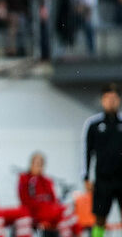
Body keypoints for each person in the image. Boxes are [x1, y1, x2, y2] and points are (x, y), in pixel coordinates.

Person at [82, 83, 122, 237]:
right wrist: (85, 177)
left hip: (121, 178)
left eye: (114, 98)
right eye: (107, 98)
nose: (111, 101)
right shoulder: (93, 124)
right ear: (102, 100)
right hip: (103, 180)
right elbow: (86, 151)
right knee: (100, 218)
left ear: (118, 100)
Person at [18, 152, 81, 237]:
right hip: (35, 212)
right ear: (31, 164)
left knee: (64, 220)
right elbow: (25, 200)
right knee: (65, 211)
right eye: (37, 164)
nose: (39, 167)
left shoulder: (47, 181)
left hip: (50, 212)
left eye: (41, 164)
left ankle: (77, 234)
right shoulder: (25, 179)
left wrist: (53, 209)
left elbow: (53, 199)